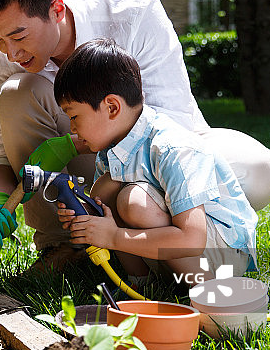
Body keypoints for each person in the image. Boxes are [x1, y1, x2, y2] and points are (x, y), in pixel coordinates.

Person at [0, 0, 270, 272]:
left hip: (164, 152)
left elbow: (168, 126)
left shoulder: (134, 16)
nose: (11, 52)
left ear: (57, 10)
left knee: (262, 170)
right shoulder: (2, 57)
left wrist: (70, 146)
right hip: (92, 169)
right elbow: (1, 153)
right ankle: (62, 247)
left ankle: (138, 233)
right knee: (16, 92)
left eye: (19, 36)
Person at [54, 38, 257, 286]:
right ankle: (141, 284)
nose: (72, 128)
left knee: (134, 202)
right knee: (106, 189)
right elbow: (105, 206)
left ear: (112, 107)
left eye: (74, 116)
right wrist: (87, 216)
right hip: (176, 247)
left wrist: (114, 237)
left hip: (221, 253)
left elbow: (193, 238)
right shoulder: (111, 150)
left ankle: (204, 291)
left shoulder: (172, 147)